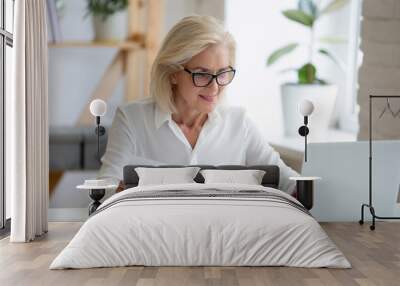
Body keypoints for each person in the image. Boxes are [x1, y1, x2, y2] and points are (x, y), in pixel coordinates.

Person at [97, 15, 299, 194]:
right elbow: (104, 188)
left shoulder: (239, 123)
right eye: (202, 74)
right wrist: (118, 191)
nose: (214, 88)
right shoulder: (132, 119)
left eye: (222, 73)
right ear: (173, 72)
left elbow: (287, 181)